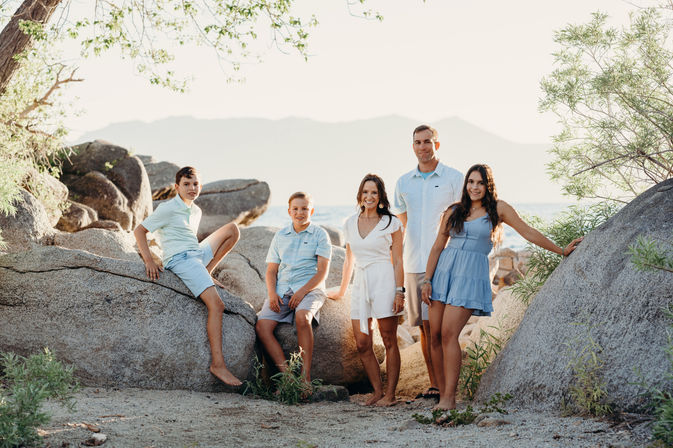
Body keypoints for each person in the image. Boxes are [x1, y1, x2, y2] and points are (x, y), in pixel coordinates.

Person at [421, 164, 583, 410]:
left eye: (480, 183)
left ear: (488, 186)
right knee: (434, 336)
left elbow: (527, 231)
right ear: (466, 185)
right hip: (443, 274)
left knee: (448, 334)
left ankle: (449, 399)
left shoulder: (498, 209)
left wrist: (560, 250)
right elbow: (437, 247)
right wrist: (426, 280)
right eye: (471, 182)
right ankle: (443, 395)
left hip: (469, 277)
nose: (475, 187)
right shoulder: (454, 211)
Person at [134, 166, 242, 386]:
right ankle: (218, 364)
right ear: (177, 187)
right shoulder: (167, 208)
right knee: (217, 305)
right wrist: (149, 260)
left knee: (233, 229)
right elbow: (139, 231)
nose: (192, 188)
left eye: (195, 184)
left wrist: (204, 268)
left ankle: (208, 271)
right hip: (181, 259)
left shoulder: (196, 211)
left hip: (196, 254)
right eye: (186, 184)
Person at [392, 124, 463, 400]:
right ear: (413, 147)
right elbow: (404, 221)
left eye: (427, 142)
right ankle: (435, 385)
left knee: (441, 327)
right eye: (418, 142)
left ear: (437, 144)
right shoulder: (403, 182)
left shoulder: (455, 178)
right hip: (413, 262)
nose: (423, 147)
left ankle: (448, 387)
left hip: (444, 260)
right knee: (423, 326)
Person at [329, 174, 405, 406]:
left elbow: (399, 260)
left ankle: (390, 394)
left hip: (384, 279)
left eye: (374, 192)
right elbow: (348, 260)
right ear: (360, 195)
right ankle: (377, 391)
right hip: (361, 283)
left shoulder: (391, 223)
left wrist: (399, 291)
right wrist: (342, 291)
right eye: (365, 192)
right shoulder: (350, 223)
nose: (369, 196)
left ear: (380, 196)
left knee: (389, 339)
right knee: (362, 343)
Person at [255, 192, 332, 387]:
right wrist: (272, 294)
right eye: (296, 209)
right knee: (262, 327)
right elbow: (271, 271)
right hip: (282, 290)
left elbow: (322, 272)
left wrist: (302, 292)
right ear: (289, 212)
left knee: (303, 317)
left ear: (311, 210)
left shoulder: (320, 234)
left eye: (304, 208)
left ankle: (305, 378)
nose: (300, 212)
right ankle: (289, 377)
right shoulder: (280, 236)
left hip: (310, 288)